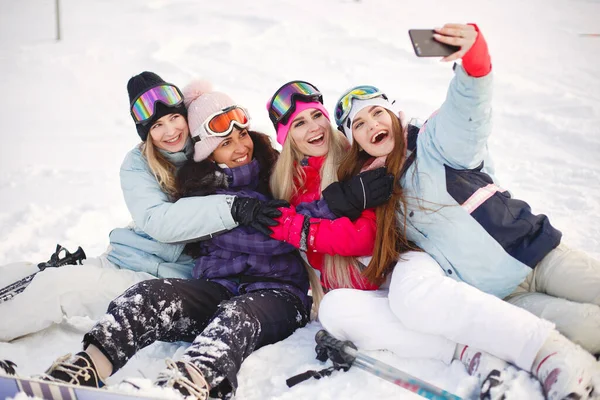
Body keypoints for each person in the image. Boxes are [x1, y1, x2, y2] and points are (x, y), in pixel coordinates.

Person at [328, 23, 600, 399]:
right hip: (506, 299)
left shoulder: (433, 143)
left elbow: (466, 113)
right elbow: (371, 258)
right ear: (354, 140)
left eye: (376, 112)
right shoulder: (374, 197)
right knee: (592, 330)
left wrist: (474, 65)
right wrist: (345, 205)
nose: (372, 124)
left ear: (394, 114)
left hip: (539, 254)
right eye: (358, 123)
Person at [263, 79, 554, 392]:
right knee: (334, 310)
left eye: (316, 116)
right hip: (365, 287)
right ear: (287, 137)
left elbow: (366, 236)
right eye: (299, 124)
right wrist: (305, 218)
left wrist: (299, 228)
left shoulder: (356, 155)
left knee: (410, 299)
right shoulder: (287, 186)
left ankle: (514, 339)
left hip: (403, 264)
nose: (313, 128)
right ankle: (464, 350)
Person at [38, 81, 311, 400]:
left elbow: (304, 221)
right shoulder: (198, 193)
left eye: (242, 135)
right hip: (220, 286)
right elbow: (164, 223)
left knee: (238, 315)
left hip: (280, 293)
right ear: (209, 154)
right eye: (225, 142)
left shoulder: (280, 171)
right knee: (144, 296)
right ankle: (89, 366)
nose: (240, 147)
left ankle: (194, 381)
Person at [0, 72, 284, 342]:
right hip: (124, 257)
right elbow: (158, 222)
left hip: (166, 278)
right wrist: (233, 208)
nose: (170, 131)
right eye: (157, 126)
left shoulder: (214, 150)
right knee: (37, 275)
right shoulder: (138, 162)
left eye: (175, 117)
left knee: (60, 287)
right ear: (146, 133)